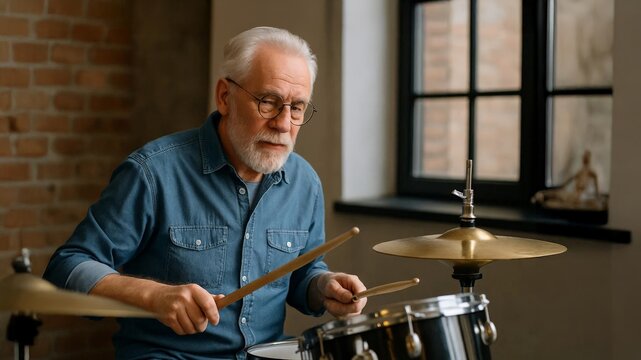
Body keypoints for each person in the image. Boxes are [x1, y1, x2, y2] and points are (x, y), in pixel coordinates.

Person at [43, 26, 367, 359]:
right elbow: (67, 268)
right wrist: (151, 295)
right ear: (225, 97)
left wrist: (323, 286)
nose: (284, 124)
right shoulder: (152, 172)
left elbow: (302, 274)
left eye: (297, 107)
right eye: (268, 102)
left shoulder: (305, 182)